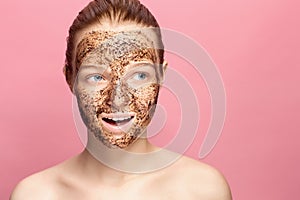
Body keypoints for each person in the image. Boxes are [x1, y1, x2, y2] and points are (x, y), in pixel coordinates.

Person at [10, 0, 232, 199]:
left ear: (161, 76)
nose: (117, 99)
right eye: (97, 77)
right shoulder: (36, 195)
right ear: (71, 79)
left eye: (139, 75)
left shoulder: (202, 190)